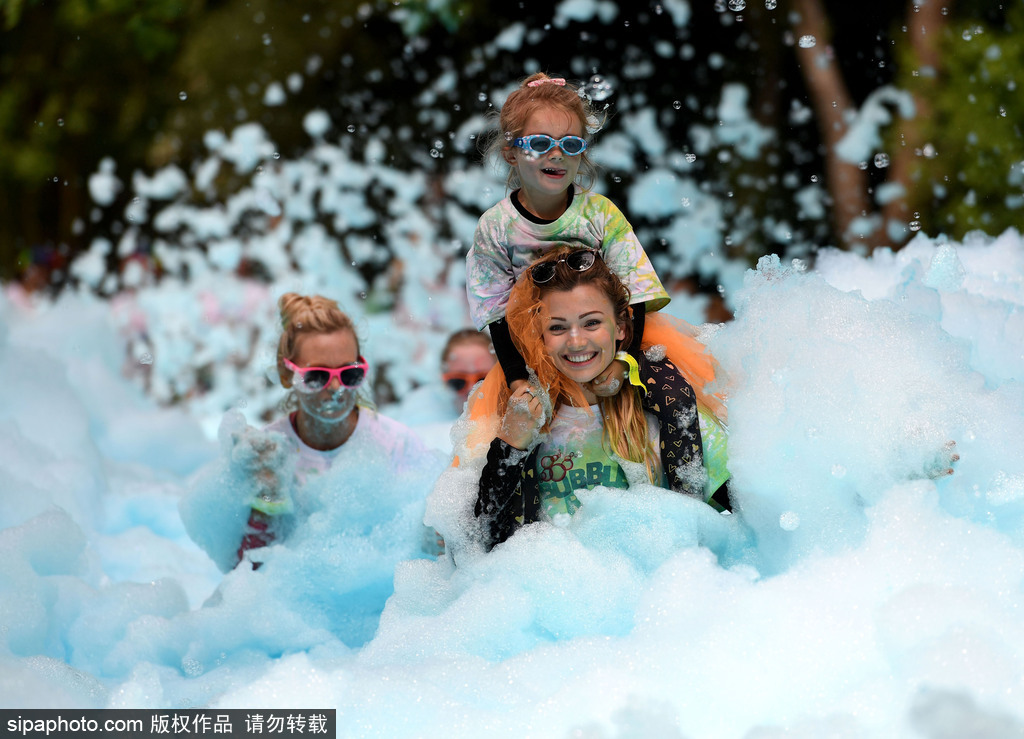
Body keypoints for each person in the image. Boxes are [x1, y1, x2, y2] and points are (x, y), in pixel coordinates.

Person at [466, 72, 719, 493]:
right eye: (540, 143)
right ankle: (501, 525)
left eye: (571, 144)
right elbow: (495, 314)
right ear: (512, 151)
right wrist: (516, 379)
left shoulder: (599, 214)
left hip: (615, 332)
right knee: (506, 434)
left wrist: (625, 359)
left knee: (674, 394)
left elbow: (634, 294)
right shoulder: (495, 227)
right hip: (533, 344)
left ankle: (689, 498)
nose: (557, 155)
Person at [470, 248, 730, 550]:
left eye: (591, 322)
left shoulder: (666, 408)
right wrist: (509, 446)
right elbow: (476, 547)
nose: (577, 340)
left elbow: (751, 522)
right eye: (557, 327)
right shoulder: (521, 419)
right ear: (539, 336)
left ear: (620, 327)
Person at [182, 292, 445, 571]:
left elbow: (430, 557)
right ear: (287, 375)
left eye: (349, 374)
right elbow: (248, 578)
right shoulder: (268, 453)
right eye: (317, 377)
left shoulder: (396, 445)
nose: (335, 388)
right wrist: (268, 495)